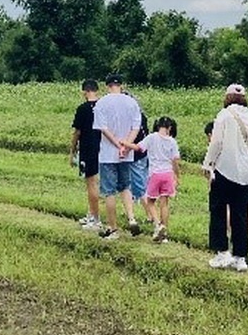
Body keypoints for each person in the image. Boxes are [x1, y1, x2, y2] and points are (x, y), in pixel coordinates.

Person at [202, 84, 248, 272]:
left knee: (218, 210)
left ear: (227, 97)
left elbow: (216, 142)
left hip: (225, 169)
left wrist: (208, 163)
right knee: (240, 213)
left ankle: (222, 252)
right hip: (246, 172)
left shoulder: (224, 115)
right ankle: (240, 257)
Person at [93, 74, 143, 239]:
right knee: (125, 187)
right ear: (121, 85)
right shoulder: (132, 102)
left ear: (107, 86)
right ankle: (131, 218)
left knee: (109, 191)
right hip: (126, 154)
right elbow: (136, 127)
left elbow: (103, 128)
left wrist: (117, 144)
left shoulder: (102, 103)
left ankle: (113, 228)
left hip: (108, 153)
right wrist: (126, 146)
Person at [129, 116, 180, 243]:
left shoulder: (152, 137)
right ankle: (165, 234)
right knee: (164, 204)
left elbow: (139, 148)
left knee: (150, 202)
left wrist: (126, 144)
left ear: (158, 126)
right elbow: (175, 161)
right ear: (170, 128)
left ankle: (158, 225)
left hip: (155, 174)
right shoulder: (172, 141)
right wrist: (176, 176)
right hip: (168, 174)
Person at [70, 79, 103, 229]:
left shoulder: (82, 109)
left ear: (84, 91)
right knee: (96, 183)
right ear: (97, 90)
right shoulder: (104, 106)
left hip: (88, 148)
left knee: (91, 183)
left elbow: (77, 132)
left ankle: (96, 220)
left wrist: (72, 150)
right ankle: (91, 213)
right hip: (104, 148)